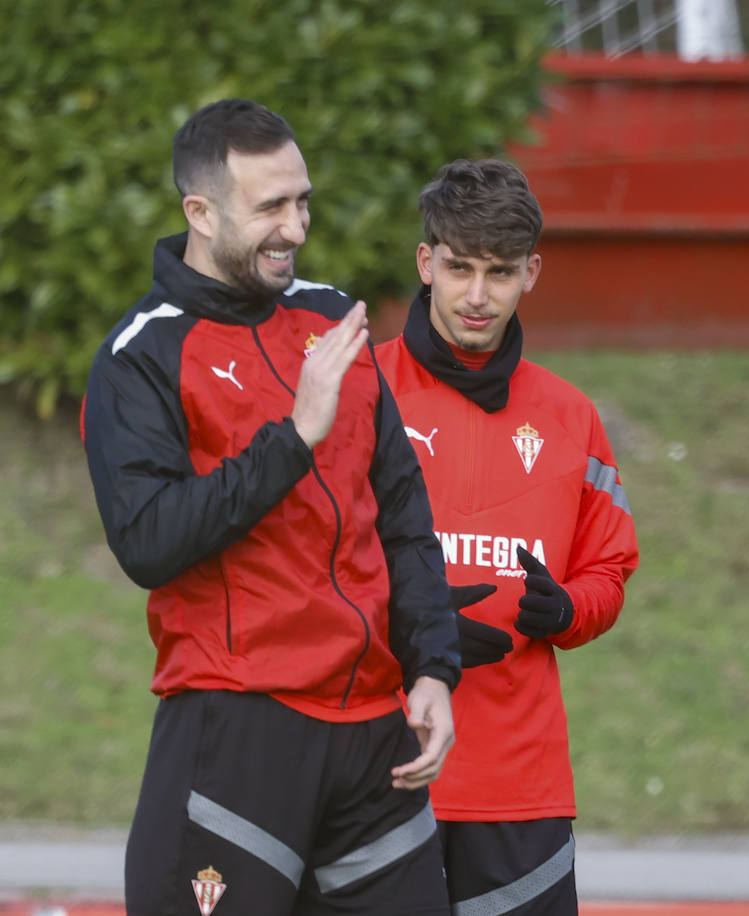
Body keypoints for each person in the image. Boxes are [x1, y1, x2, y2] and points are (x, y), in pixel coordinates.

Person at [82, 99, 475, 915]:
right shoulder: (142, 354)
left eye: (302, 201)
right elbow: (149, 541)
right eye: (270, 207)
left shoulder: (333, 318)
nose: (295, 228)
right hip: (237, 727)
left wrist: (434, 665)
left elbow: (401, 513)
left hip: (375, 738)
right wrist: (293, 436)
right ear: (201, 211)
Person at [374, 158, 639, 915]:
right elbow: (304, 566)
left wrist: (570, 610)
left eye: (500, 271)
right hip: (377, 768)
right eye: (459, 268)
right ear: (426, 264)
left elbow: (608, 570)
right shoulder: (363, 389)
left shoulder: (571, 416)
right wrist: (406, 625)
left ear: (533, 271)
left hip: (520, 788)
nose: (478, 296)